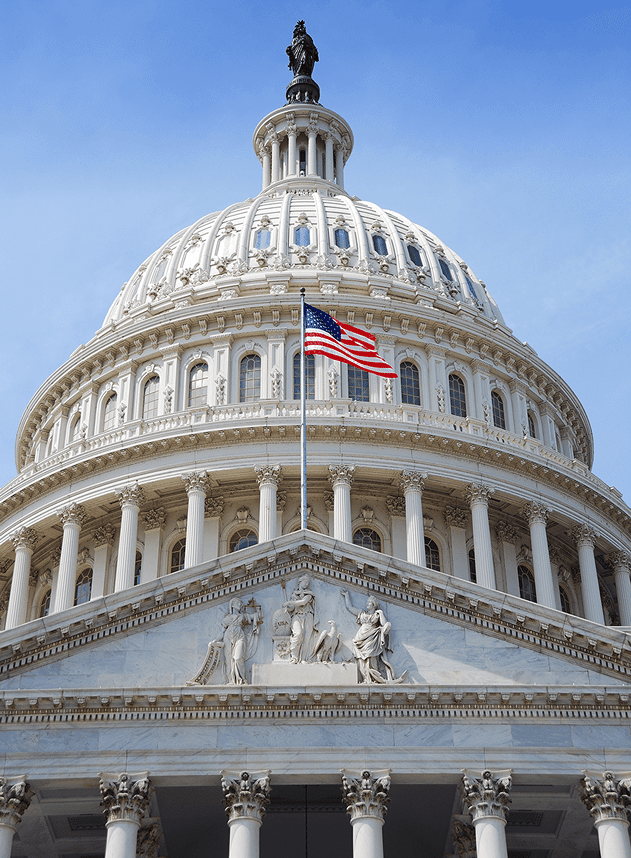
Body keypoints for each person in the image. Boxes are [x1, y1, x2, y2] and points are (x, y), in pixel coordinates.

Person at [340, 590, 406, 683]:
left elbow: (384, 624)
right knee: (361, 661)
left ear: (374, 605)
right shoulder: (362, 613)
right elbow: (349, 607)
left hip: (372, 639)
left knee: (371, 659)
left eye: (369, 603)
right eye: (367, 602)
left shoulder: (377, 615)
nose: (367, 604)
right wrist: (346, 595)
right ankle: (365, 678)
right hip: (360, 640)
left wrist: (381, 613)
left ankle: (373, 679)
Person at [218, 598, 260, 684]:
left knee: (237, 658)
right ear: (232, 604)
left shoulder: (242, 616)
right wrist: (215, 640)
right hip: (228, 638)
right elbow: (222, 632)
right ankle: (231, 680)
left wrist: (257, 608)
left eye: (241, 603)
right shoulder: (227, 618)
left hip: (240, 637)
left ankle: (241, 679)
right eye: (238, 603)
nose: (240, 604)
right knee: (228, 660)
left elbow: (256, 616)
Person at [283, 575, 317, 663]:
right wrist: (288, 607)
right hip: (297, 616)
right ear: (300, 582)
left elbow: (303, 602)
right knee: (298, 634)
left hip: (308, 615)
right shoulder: (294, 594)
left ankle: (303, 658)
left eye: (308, 583)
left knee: (307, 637)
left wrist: (289, 602)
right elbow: (292, 608)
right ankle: (294, 657)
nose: (306, 584)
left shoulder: (309, 594)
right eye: (305, 582)